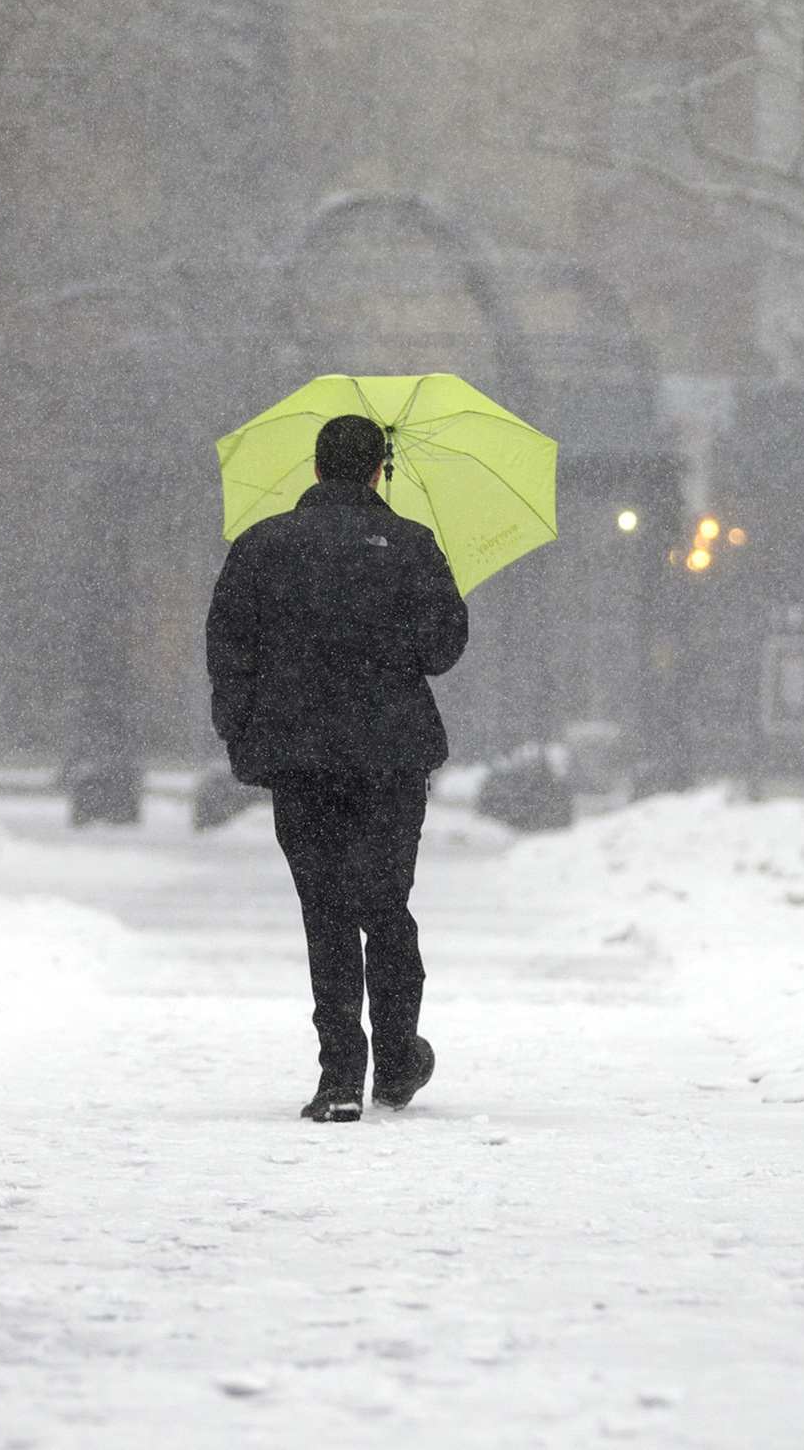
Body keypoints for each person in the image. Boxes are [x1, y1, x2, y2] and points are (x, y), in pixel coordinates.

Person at [204, 413, 471, 1122]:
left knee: (324, 911)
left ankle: (340, 1077)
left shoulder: (263, 546)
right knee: (384, 905)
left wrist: (242, 734)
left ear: (316, 467)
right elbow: (443, 648)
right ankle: (398, 1057)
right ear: (380, 470)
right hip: (390, 757)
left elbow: (229, 649)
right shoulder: (411, 545)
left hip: (300, 760)